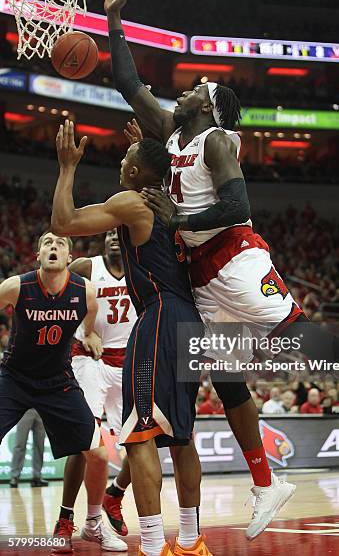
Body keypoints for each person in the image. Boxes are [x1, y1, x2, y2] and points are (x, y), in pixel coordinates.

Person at [106, 0, 339, 540]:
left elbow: (236, 203)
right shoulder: (172, 136)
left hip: (235, 255)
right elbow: (127, 81)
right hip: (200, 273)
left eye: (197, 86)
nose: (187, 88)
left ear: (213, 106)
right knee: (225, 378)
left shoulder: (217, 142)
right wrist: (115, 17)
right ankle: (265, 484)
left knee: (293, 334)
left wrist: (179, 220)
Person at [51, 120, 212, 556]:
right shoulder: (174, 202)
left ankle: (155, 544)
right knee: (180, 438)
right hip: (189, 322)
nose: (121, 162)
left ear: (138, 174)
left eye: (127, 160)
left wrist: (67, 167)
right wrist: (146, 148)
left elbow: (63, 222)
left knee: (141, 437)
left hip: (157, 318)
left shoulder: (132, 201)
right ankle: (192, 541)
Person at [0, 231, 104, 553]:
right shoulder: (17, 286)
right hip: (15, 379)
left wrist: (89, 335)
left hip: (58, 381)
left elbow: (91, 315)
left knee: (99, 454)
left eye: (60, 243)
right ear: (38, 255)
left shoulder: (85, 291)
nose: (53, 246)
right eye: (47, 242)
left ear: (70, 257)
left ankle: (85, 522)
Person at [57, 228, 137, 548]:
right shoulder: (87, 267)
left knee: (143, 442)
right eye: (109, 234)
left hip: (128, 363)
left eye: (122, 233)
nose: (115, 238)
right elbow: (51, 284)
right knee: (85, 443)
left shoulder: (142, 269)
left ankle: (114, 494)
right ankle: (66, 518)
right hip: (90, 360)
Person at [10, 409, 47, 488]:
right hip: (25, 409)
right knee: (20, 444)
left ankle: (37, 476)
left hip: (41, 409)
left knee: (40, 445)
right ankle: (14, 476)